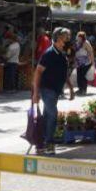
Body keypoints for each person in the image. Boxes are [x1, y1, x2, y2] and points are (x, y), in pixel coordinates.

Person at [32, 27, 71, 155]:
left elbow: (64, 74)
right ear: (57, 38)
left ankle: (40, 143)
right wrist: (36, 92)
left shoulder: (62, 54)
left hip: (55, 91)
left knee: (47, 116)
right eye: (64, 37)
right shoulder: (49, 54)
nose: (66, 40)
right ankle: (49, 143)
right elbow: (38, 72)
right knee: (53, 115)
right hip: (47, 90)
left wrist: (70, 88)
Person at [73, 31, 95, 96]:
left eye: (79, 36)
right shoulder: (77, 43)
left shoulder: (86, 43)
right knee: (79, 76)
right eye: (77, 36)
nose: (77, 37)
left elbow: (91, 52)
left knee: (82, 76)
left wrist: (93, 62)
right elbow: (75, 52)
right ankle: (80, 89)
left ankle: (84, 90)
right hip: (78, 63)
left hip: (86, 63)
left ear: (82, 37)